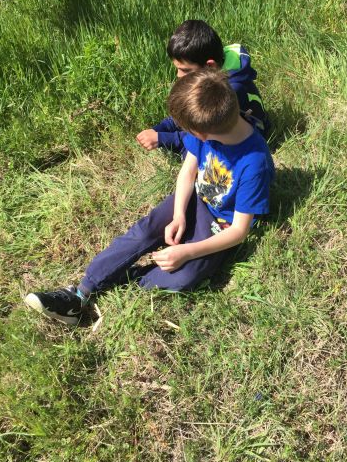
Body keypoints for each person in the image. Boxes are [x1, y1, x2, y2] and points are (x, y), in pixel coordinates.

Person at [24, 69, 275, 325]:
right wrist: (178, 214)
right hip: (195, 200)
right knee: (144, 232)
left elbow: (239, 231)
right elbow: (188, 172)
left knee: (185, 276)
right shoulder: (207, 133)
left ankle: (129, 278)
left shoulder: (254, 163)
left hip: (221, 225)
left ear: (199, 133)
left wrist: (187, 251)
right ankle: (79, 294)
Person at [136, 19, 270, 155]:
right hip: (217, 128)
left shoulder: (227, 90)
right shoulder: (213, 75)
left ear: (209, 65)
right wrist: (158, 129)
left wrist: (163, 139)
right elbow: (186, 113)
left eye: (185, 70)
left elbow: (204, 135)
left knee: (197, 154)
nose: (179, 75)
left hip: (248, 140)